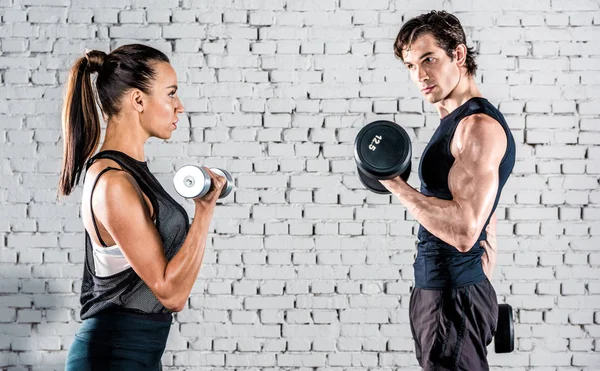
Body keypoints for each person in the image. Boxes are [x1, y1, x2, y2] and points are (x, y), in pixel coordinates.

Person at [58, 44, 225, 370]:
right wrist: (204, 211)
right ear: (138, 100)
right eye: (171, 94)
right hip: (112, 356)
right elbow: (171, 294)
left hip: (140, 354)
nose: (180, 107)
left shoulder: (132, 172)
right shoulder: (113, 183)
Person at [380, 11, 516, 371]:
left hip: (450, 302)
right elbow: (487, 213)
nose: (420, 75)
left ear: (458, 55)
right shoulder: (456, 122)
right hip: (448, 294)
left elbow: (463, 232)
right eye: (410, 65)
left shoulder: (477, 127)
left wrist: (394, 184)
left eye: (429, 59)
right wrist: (477, 280)